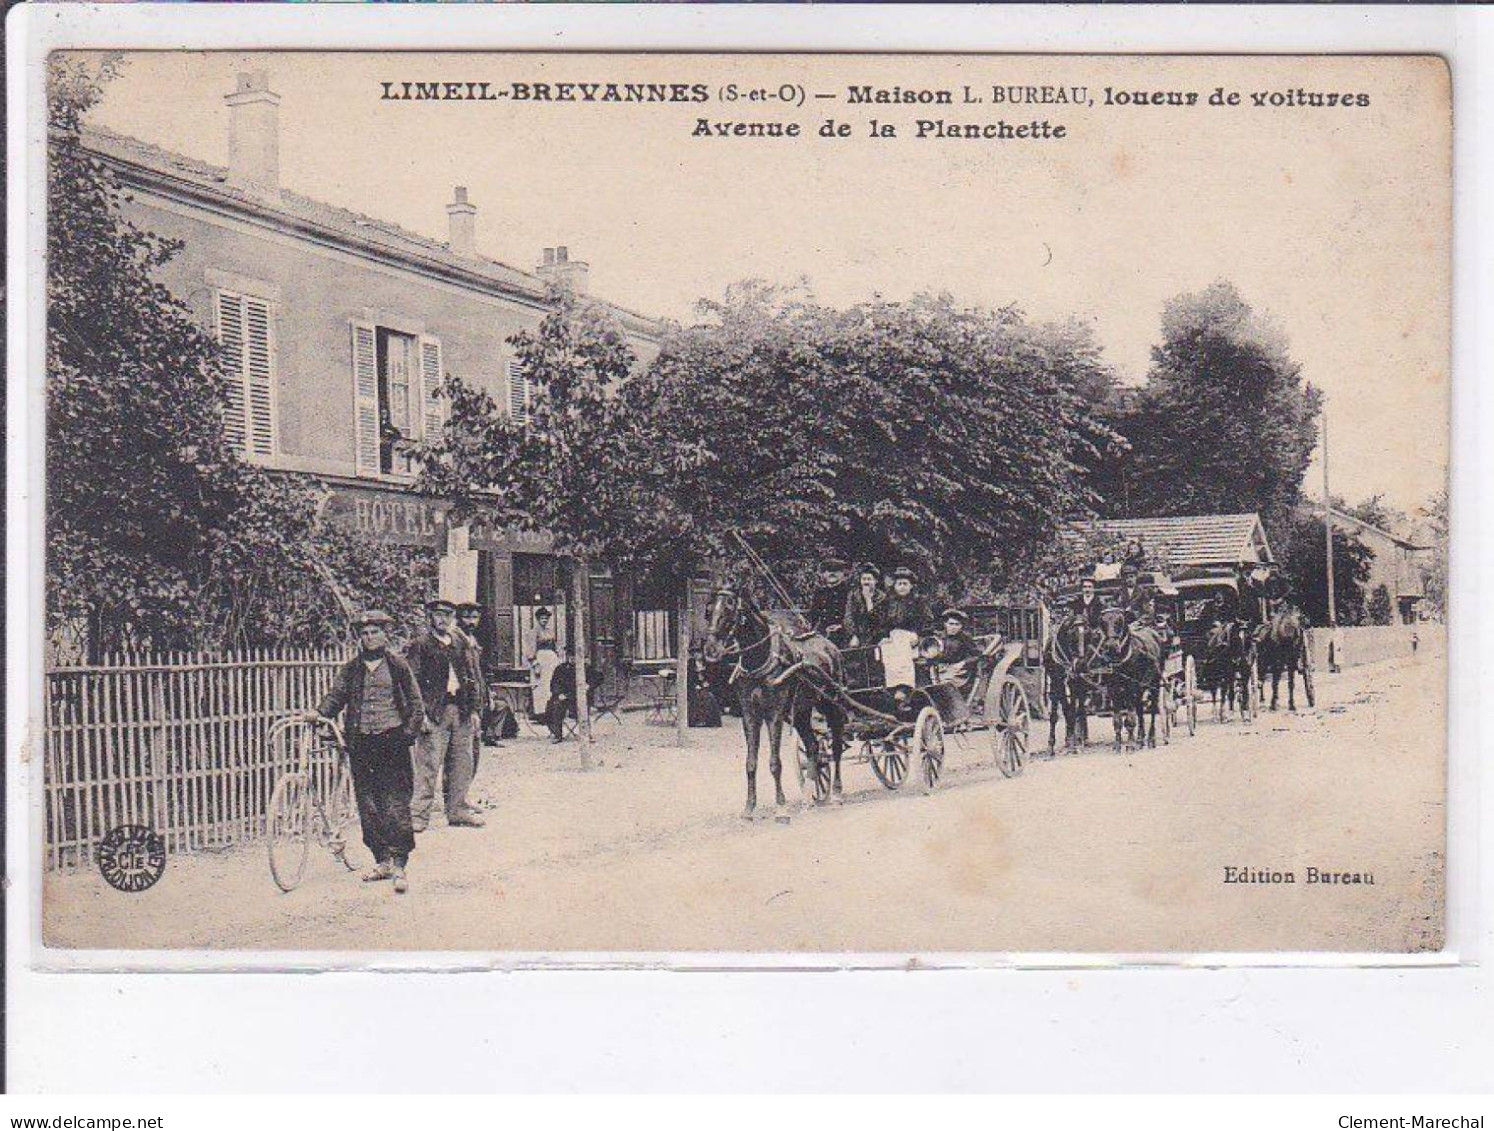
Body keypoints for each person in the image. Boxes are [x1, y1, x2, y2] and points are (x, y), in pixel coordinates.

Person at [308, 611, 424, 894]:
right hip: (362, 743)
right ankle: (381, 860)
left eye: (375, 632)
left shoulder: (398, 666)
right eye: (365, 633)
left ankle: (399, 864)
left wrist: (407, 734)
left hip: (392, 741)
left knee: (395, 802)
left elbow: (415, 703)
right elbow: (336, 696)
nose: (369, 637)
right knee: (368, 804)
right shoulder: (352, 669)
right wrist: (320, 713)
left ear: (385, 635)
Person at [405, 598, 484, 831]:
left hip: (460, 709)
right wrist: (421, 716)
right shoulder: (420, 645)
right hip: (434, 712)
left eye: (448, 615)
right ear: (430, 618)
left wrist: (474, 710)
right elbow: (411, 684)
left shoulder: (459, 643)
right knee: (429, 763)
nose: (443, 619)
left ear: (453, 618)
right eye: (438, 615)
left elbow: (471, 675)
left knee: (462, 762)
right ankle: (419, 815)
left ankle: (457, 810)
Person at [455, 602, 493, 776]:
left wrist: (488, 694)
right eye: (467, 617)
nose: (471, 622)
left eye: (475, 617)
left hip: (480, 697)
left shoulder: (475, 640)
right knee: (464, 751)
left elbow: (482, 672)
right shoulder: (456, 640)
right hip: (466, 702)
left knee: (475, 746)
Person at [932, 608, 981, 698]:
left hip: (960, 673)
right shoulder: (938, 637)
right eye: (951, 624)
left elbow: (976, 655)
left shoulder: (965, 638)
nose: (953, 627)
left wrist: (962, 663)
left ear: (961, 626)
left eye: (957, 624)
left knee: (944, 684)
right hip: (940, 669)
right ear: (945, 624)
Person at [807, 558, 853, 645]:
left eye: (836, 570)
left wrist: (841, 626)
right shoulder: (819, 593)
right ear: (823, 574)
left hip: (845, 636)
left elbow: (856, 617)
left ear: (843, 573)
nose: (832, 573)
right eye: (828, 570)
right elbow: (814, 616)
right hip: (823, 635)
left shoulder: (850, 592)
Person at [881, 566, 932, 637]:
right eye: (899, 584)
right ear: (894, 586)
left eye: (905, 584)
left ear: (911, 586)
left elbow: (928, 623)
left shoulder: (919, 602)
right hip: (892, 640)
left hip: (913, 640)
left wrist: (918, 636)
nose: (902, 587)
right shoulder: (888, 602)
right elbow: (881, 624)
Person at [843, 563, 885, 647]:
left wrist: (868, 600)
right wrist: (854, 635)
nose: (866, 582)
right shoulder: (854, 595)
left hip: (876, 635)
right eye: (864, 579)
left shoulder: (882, 597)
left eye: (869, 579)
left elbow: (877, 621)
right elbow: (848, 617)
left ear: (875, 581)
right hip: (857, 634)